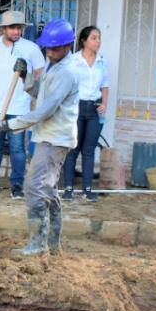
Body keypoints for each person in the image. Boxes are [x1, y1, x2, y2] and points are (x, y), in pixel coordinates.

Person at [0, 19, 83, 257]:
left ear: (68, 45)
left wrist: (10, 125)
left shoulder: (67, 71)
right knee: (48, 189)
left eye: (55, 48)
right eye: (48, 48)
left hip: (55, 139)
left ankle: (37, 244)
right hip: (48, 135)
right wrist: (25, 77)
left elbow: (46, 109)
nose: (50, 51)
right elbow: (39, 93)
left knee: (34, 187)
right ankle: (52, 243)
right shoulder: (53, 64)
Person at [0, 10, 46, 199]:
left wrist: (28, 81)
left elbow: (40, 73)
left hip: (19, 108)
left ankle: (17, 185)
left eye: (19, 28)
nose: (16, 31)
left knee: (17, 149)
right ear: (4, 28)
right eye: (12, 28)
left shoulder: (31, 48)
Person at [61, 26, 110, 201]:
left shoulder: (102, 61)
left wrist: (104, 104)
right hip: (77, 108)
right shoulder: (73, 61)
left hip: (95, 109)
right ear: (84, 41)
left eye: (99, 38)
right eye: (94, 38)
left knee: (89, 151)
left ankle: (87, 190)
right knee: (73, 149)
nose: (98, 42)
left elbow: (105, 85)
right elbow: (66, 84)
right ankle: (68, 189)